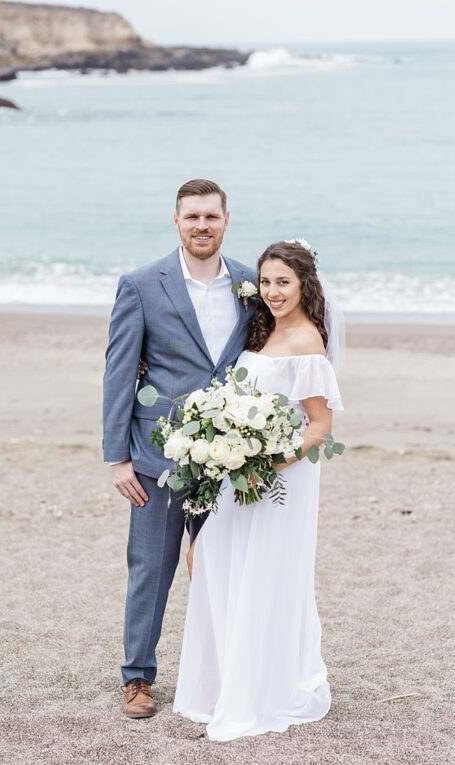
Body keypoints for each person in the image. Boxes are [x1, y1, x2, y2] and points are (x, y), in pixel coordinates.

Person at [172, 239, 343, 741]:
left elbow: (318, 427)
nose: (272, 291)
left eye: (283, 282)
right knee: (213, 560)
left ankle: (260, 691)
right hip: (237, 475)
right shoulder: (262, 328)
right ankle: (223, 683)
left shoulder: (308, 343)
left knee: (264, 573)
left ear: (304, 284)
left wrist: (264, 463)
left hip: (275, 482)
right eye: (266, 281)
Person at [103, 179, 255, 719]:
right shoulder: (142, 284)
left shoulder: (252, 283)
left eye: (211, 217)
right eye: (192, 217)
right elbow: (120, 371)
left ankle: (225, 674)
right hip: (155, 456)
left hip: (231, 457)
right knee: (151, 568)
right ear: (176, 221)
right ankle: (138, 679)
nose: (201, 226)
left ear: (226, 220)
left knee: (224, 567)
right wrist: (117, 456)